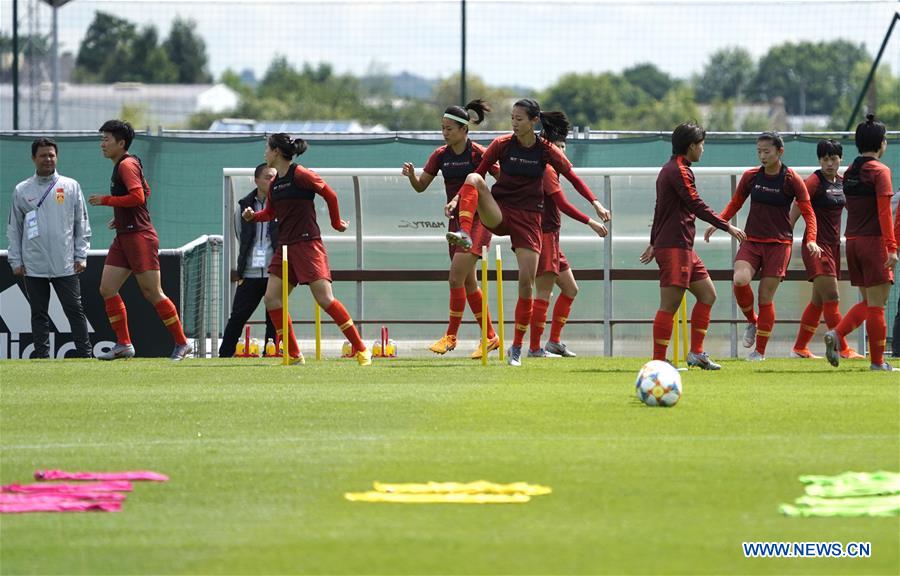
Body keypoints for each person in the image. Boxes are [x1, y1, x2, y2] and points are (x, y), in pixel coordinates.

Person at [446, 98, 609, 366]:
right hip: (500, 211)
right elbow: (478, 175)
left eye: (519, 119)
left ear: (534, 121)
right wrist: (456, 202)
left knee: (526, 282)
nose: (514, 123)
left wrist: (596, 203)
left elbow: (574, 179)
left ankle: (518, 348)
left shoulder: (546, 151)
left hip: (530, 219)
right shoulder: (501, 144)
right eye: (512, 118)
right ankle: (465, 232)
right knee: (473, 179)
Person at [242, 133, 372, 366]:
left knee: (325, 299)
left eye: (267, 149)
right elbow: (271, 213)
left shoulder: (301, 174)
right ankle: (294, 355)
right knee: (271, 299)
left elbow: (329, 194)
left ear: (277, 152)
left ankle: (361, 349)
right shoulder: (275, 185)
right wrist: (254, 216)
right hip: (285, 248)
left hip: (307, 244)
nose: (264, 153)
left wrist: (336, 223)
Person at [705, 131, 821, 361]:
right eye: (759, 151)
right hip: (752, 240)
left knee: (765, 297)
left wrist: (811, 239)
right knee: (739, 280)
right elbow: (736, 202)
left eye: (766, 151)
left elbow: (809, 213)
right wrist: (719, 222)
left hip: (779, 244)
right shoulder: (751, 176)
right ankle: (753, 321)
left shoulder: (792, 179)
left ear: (780, 151)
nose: (762, 155)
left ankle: (759, 352)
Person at [641, 122, 745, 369]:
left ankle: (696, 353)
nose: (703, 150)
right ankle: (657, 362)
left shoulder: (673, 168)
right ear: (691, 146)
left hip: (681, 246)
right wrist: (726, 226)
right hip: (676, 247)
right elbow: (695, 204)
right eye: (701, 145)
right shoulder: (678, 170)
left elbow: (660, 209)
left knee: (708, 295)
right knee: (669, 305)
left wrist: (654, 242)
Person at [402, 100, 500, 359]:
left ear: (464, 130)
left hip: (479, 222)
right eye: (442, 128)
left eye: (449, 129)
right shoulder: (440, 154)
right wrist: (412, 176)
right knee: (468, 283)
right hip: (455, 225)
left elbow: (503, 179)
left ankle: (451, 336)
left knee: (455, 277)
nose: (445, 133)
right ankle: (490, 337)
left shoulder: (479, 153)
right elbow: (421, 186)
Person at [88, 120, 192, 361]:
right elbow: (145, 192)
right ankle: (124, 344)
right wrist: (122, 218)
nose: (102, 144)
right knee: (107, 289)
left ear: (121, 143)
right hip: (125, 234)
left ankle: (182, 342)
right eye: (102, 138)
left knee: (153, 292)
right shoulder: (126, 164)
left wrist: (107, 201)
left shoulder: (126, 165)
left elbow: (137, 196)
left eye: (107, 139)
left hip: (139, 236)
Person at [824, 114, 898, 371]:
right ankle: (878, 363)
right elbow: (883, 212)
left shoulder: (850, 171)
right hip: (873, 242)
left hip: (852, 241)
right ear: (881, 143)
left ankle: (836, 334)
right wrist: (892, 247)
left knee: (869, 302)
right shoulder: (880, 171)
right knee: (878, 305)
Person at [7, 137, 92, 359]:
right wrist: (16, 261)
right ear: (33, 158)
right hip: (34, 264)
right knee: (38, 313)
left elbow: (81, 223)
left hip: (65, 263)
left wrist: (81, 255)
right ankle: (42, 357)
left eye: (51, 155)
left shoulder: (71, 185)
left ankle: (86, 355)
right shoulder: (22, 189)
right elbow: (13, 228)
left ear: (57, 157)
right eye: (43, 155)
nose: (48, 159)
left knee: (74, 310)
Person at [529, 132, 611, 358]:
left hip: (552, 237)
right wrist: (591, 222)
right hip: (543, 236)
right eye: (559, 147)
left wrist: (596, 203)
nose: (563, 151)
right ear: (549, 149)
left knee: (570, 289)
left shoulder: (553, 169)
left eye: (564, 146)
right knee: (543, 293)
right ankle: (534, 348)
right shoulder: (546, 169)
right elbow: (562, 204)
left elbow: (576, 182)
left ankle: (554, 342)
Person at [788, 139, 863, 360]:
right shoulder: (813, 181)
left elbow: (853, 208)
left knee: (818, 301)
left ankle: (799, 348)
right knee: (832, 295)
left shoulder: (842, 182)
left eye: (833, 158)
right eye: (824, 159)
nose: (829, 163)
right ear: (819, 160)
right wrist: (785, 236)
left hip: (833, 246)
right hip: (815, 247)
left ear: (840, 158)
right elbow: (796, 208)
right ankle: (843, 348)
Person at [219, 163, 278, 357]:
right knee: (238, 316)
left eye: (275, 177)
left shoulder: (281, 204)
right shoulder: (244, 206)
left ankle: (272, 353)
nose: (272, 181)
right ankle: (225, 355)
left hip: (274, 273)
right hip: (250, 272)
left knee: (274, 317)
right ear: (257, 180)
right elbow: (239, 233)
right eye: (268, 177)